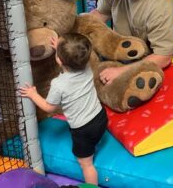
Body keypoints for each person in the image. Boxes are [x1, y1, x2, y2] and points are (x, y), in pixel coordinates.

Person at [19, 33, 108, 185]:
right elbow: (76, 55)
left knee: (86, 165)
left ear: (59, 60)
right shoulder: (87, 67)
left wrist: (33, 95)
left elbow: (49, 107)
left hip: (84, 130)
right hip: (101, 118)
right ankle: (95, 141)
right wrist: (60, 48)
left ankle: (91, 187)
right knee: (94, 137)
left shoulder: (58, 84)